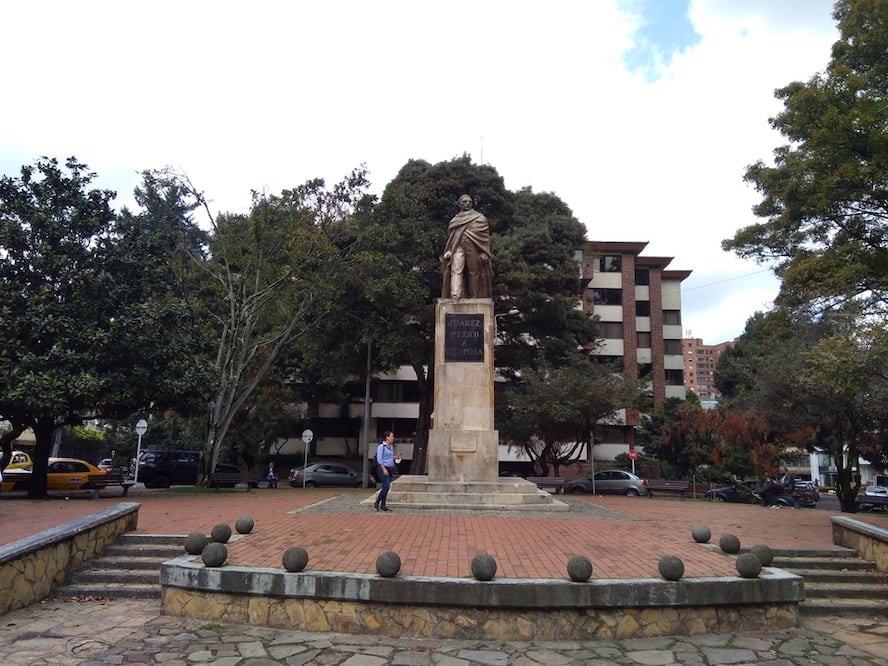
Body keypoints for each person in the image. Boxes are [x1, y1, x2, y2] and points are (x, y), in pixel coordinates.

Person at [441, 194, 492, 299]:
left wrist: (484, 252)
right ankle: (455, 294)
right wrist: (449, 250)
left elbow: (484, 239)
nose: (467, 203)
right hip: (458, 247)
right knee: (456, 269)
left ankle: (473, 296)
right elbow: (452, 238)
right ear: (459, 204)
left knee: (473, 272)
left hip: (473, 248)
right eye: (464, 202)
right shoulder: (455, 220)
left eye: (469, 201)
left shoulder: (480, 218)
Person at [374, 431, 396, 512]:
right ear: (387, 437)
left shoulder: (391, 447)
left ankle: (383, 505)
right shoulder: (381, 447)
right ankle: (377, 502)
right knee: (386, 486)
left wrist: (396, 457)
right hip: (383, 469)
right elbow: (379, 459)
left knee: (386, 488)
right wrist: (383, 469)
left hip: (390, 469)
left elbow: (388, 457)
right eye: (391, 436)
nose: (393, 438)